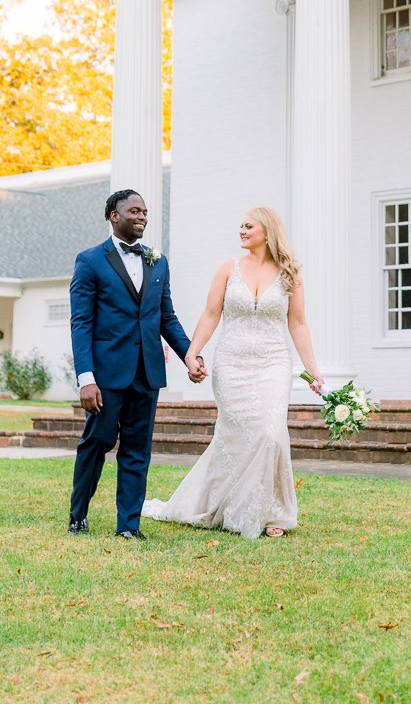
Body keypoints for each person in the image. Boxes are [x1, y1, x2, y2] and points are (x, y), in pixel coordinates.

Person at [142, 206, 323, 541]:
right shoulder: (228, 268)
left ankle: (273, 512)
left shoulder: (289, 273)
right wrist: (191, 352)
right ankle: (227, 506)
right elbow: (211, 314)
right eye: (240, 225)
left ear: (267, 232)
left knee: (270, 433)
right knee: (236, 436)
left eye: (248, 226)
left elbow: (298, 324)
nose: (241, 231)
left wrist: (313, 370)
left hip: (272, 362)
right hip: (232, 363)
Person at [67, 187, 205, 538]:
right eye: (134, 211)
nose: (142, 216)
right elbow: (81, 323)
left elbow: (166, 318)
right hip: (106, 376)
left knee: (136, 452)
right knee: (96, 444)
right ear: (114, 216)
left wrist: (190, 355)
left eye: (145, 211)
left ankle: (128, 526)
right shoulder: (90, 261)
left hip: (147, 374)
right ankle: (78, 512)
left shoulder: (158, 261)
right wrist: (86, 378)